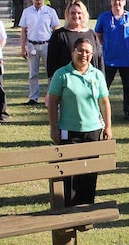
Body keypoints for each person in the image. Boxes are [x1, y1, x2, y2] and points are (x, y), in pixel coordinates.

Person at [46, 37, 112, 206]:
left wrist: (108, 127)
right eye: (80, 51)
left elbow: (104, 102)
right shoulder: (62, 74)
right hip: (68, 130)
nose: (84, 55)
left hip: (93, 131)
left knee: (89, 172)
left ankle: (85, 209)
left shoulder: (97, 75)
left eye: (88, 52)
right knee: (69, 172)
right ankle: (68, 208)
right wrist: (53, 128)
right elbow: (52, 102)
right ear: (72, 52)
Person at [95, 0, 129, 122]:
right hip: (109, 58)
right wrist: (106, 45)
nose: (117, 3)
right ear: (111, 2)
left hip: (126, 58)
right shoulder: (104, 17)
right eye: (114, 0)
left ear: (125, 2)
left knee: (127, 87)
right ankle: (99, 112)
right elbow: (98, 34)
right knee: (104, 86)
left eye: (120, 0)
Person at [19, 0, 60, 105]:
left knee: (51, 73)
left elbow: (56, 29)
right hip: (32, 45)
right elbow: (23, 31)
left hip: (47, 45)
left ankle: (51, 97)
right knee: (33, 74)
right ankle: (33, 98)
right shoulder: (27, 12)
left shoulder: (50, 11)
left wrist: (56, 47)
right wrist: (23, 47)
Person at [47, 0, 104, 79]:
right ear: (67, 15)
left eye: (79, 13)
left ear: (84, 14)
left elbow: (99, 58)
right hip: (66, 82)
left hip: (90, 80)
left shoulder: (92, 34)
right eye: (73, 13)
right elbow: (51, 62)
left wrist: (101, 78)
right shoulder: (59, 35)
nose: (76, 16)